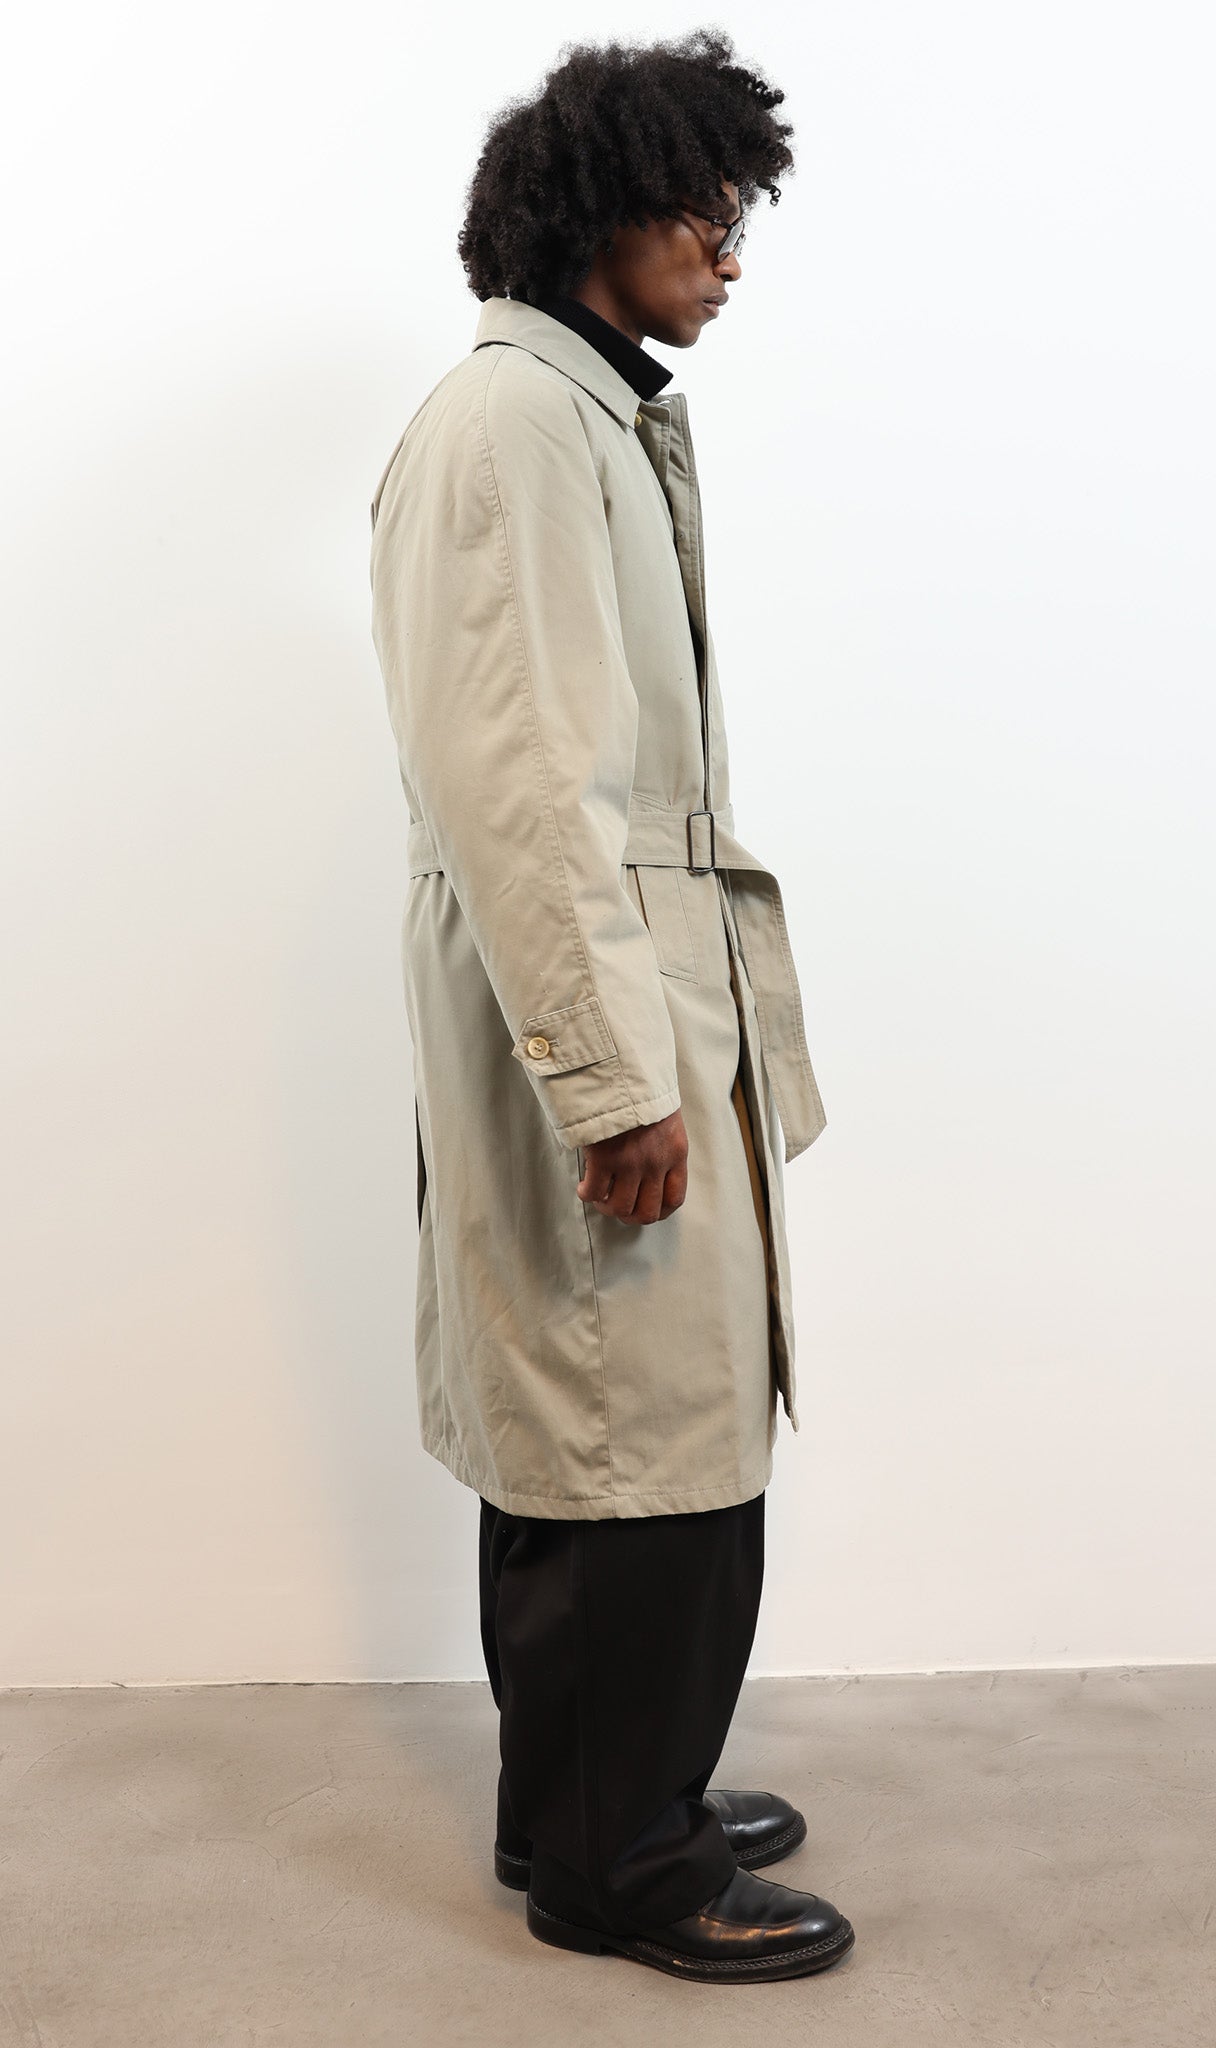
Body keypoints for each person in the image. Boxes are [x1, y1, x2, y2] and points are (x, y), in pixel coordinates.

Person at [369, 29, 849, 1984]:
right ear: (599, 214)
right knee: (632, 1442)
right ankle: (621, 1862)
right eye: (701, 215)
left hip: (641, 985)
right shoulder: (515, 430)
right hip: (604, 1006)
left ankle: (580, 1801)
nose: (728, 254)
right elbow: (521, 782)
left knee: (611, 1428)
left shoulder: (579, 416)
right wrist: (605, 1077)